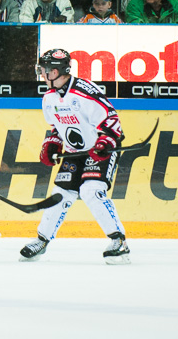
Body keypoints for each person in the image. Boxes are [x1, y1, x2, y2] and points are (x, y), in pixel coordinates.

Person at [20, 49, 130, 264]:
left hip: (99, 151)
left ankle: (119, 242)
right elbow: (57, 127)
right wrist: (52, 143)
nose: (42, 74)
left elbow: (111, 120)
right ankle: (42, 240)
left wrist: (105, 142)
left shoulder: (84, 92)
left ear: (58, 71)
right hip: (74, 153)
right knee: (60, 194)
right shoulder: (49, 98)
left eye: (45, 70)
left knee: (91, 191)